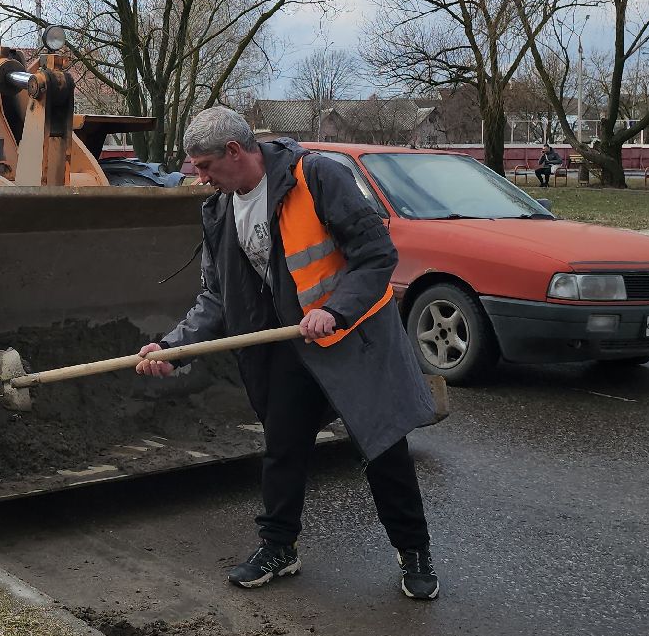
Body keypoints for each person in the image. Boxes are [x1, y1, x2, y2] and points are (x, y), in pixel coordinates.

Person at [136, 106, 443, 600]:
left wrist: (337, 310)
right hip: (284, 344)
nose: (199, 177)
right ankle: (279, 547)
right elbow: (217, 297)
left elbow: (376, 255)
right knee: (282, 448)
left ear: (235, 151)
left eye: (205, 166)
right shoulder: (218, 209)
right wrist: (174, 347)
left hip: (352, 338)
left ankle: (414, 551)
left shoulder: (318, 177)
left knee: (383, 446)